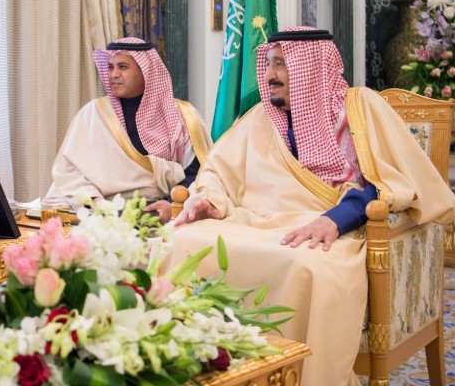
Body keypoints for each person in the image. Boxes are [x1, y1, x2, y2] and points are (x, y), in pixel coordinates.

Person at [163, 27, 455, 385]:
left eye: (282, 65)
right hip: (256, 220)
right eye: (269, 64)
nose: (270, 75)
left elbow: (393, 182)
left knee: (306, 262)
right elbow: (217, 172)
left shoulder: (361, 108)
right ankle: (198, 372)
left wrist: (336, 220)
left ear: (312, 68)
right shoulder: (260, 117)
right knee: (177, 240)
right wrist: (207, 200)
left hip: (337, 227)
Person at [43, 37, 212, 223]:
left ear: (146, 71)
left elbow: (200, 172)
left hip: (163, 213)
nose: (114, 74)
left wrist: (171, 204)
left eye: (122, 67)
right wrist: (96, 203)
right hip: (103, 214)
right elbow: (70, 172)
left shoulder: (182, 115)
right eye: (110, 67)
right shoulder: (93, 114)